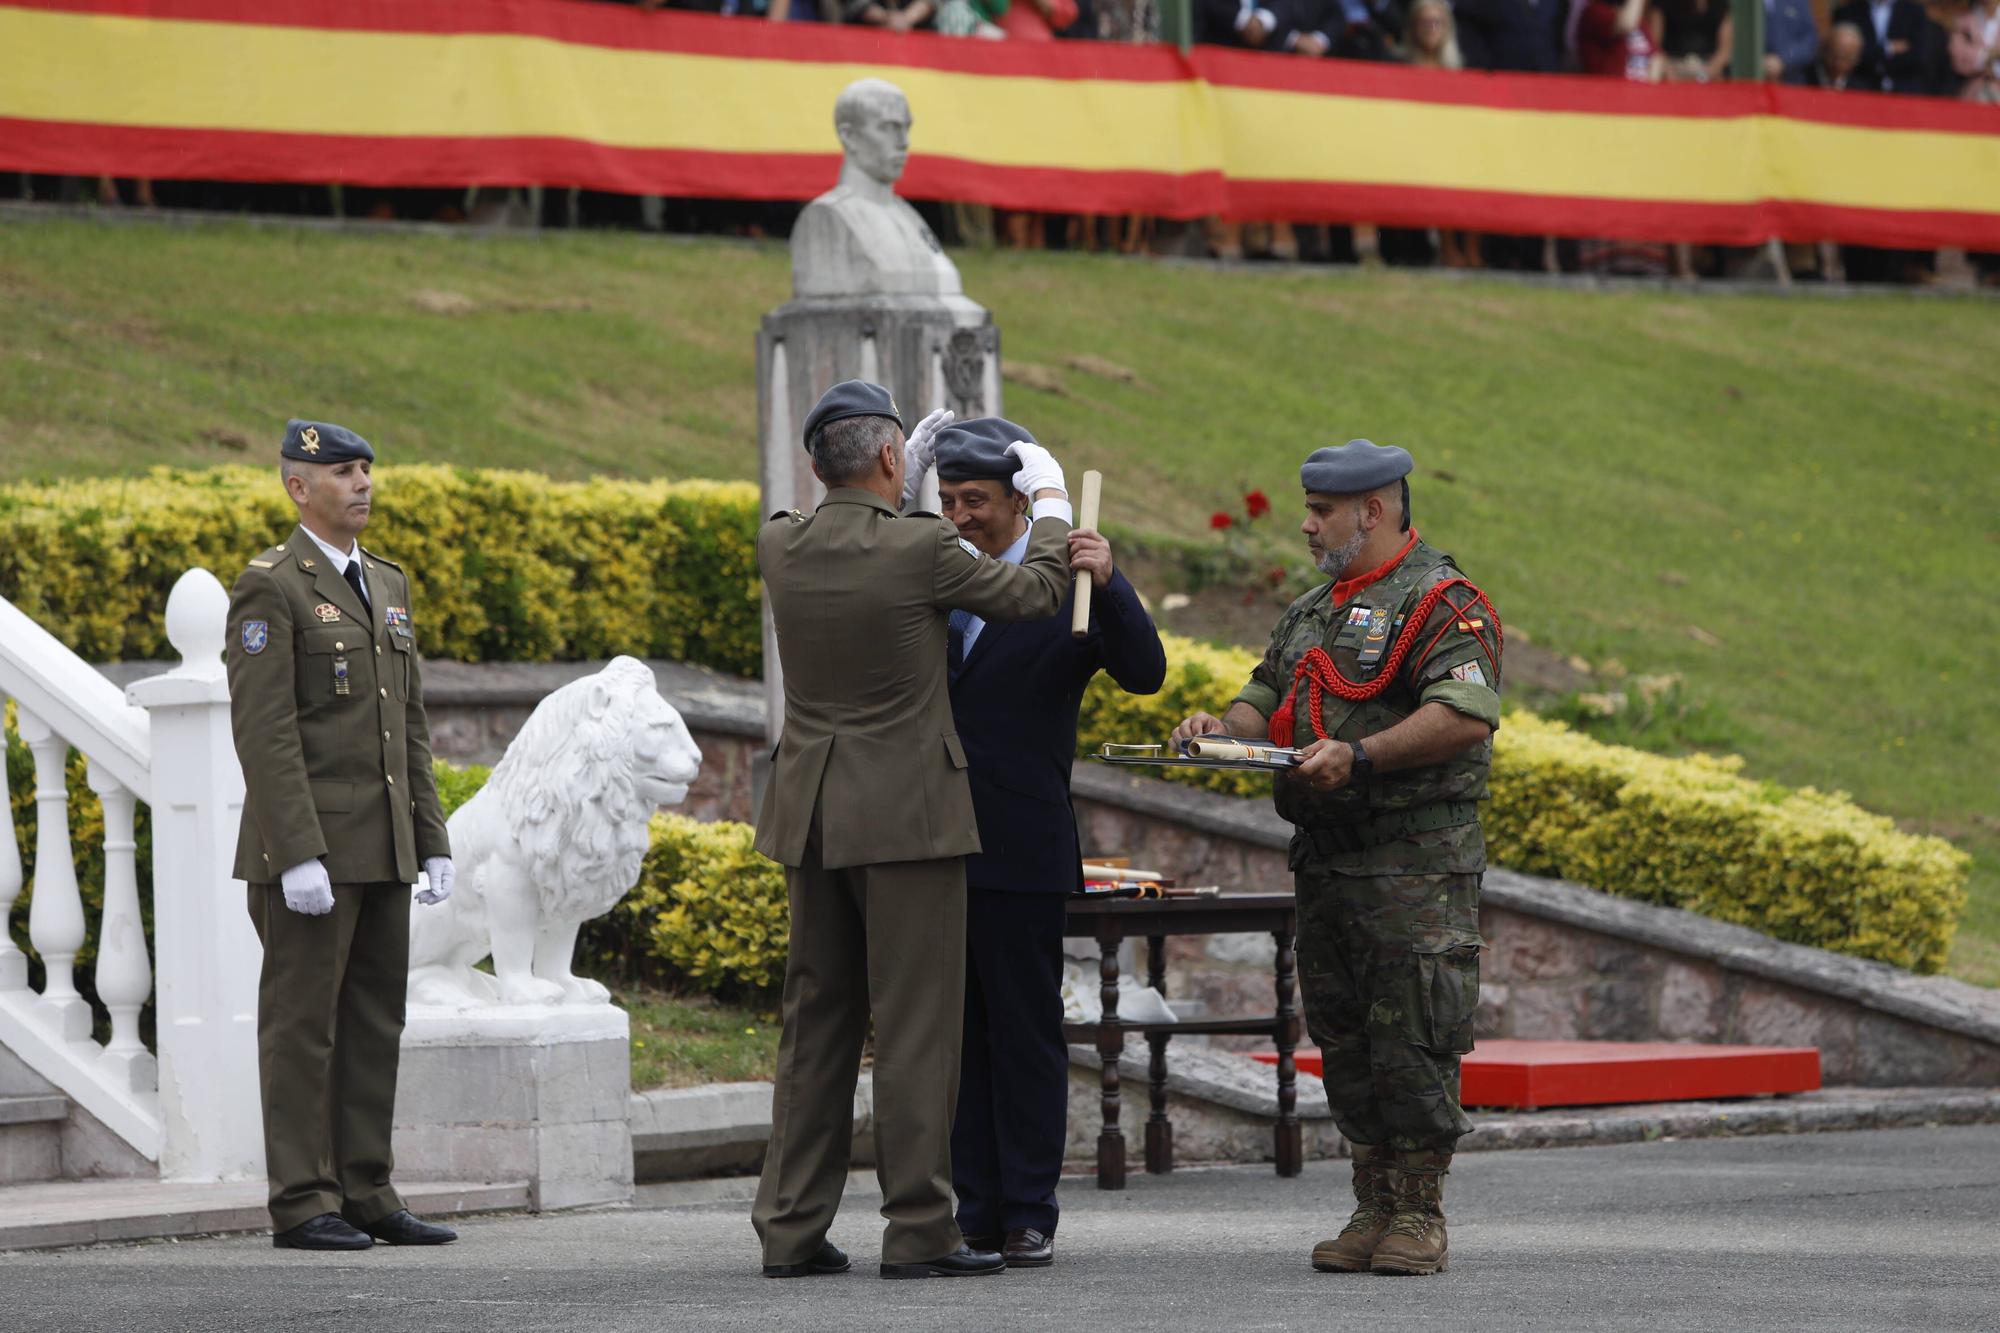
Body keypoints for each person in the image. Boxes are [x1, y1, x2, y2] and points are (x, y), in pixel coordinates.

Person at [750, 381, 1076, 1281]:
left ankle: (790, 1226)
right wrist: (1046, 498)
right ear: (894, 458)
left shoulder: (781, 540)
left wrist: (904, 478)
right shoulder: (924, 547)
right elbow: (1040, 590)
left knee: (815, 1025)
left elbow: (859, 533)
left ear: (819, 465)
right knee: (916, 1029)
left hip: (810, 817)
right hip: (910, 819)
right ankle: (922, 1229)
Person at [1171, 440, 1501, 1278]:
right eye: (1308, 507)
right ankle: (1372, 1201)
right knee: (1346, 1034)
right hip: (1327, 860)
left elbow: (1463, 715)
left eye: (1323, 511)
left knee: (1415, 1034)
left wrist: (1363, 756)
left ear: (1375, 510)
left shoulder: (1442, 601)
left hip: (1414, 863)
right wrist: (1221, 729)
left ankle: (1420, 1211)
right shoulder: (1316, 607)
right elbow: (1267, 695)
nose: (1308, 525)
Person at [910, 417, 1166, 1270]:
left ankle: (1028, 1209)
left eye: (974, 501)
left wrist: (1112, 578)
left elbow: (1144, 671)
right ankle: (974, 1209)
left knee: (1022, 1032)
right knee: (958, 1035)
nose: (961, 517)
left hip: (1018, 842)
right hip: (934, 840)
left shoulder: (1068, 590)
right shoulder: (938, 576)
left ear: (1022, 502)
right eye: (947, 500)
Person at [225, 420, 458, 1252]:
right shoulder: (272, 588)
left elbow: (411, 723)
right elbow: (266, 732)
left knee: (372, 1022)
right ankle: (300, 1199)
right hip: (312, 853)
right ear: (298, 487)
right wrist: (295, 851)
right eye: (343, 472)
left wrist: (431, 836)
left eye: (366, 470)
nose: (362, 484)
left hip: (384, 843)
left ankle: (367, 1188)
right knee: (302, 1025)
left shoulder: (387, 584)